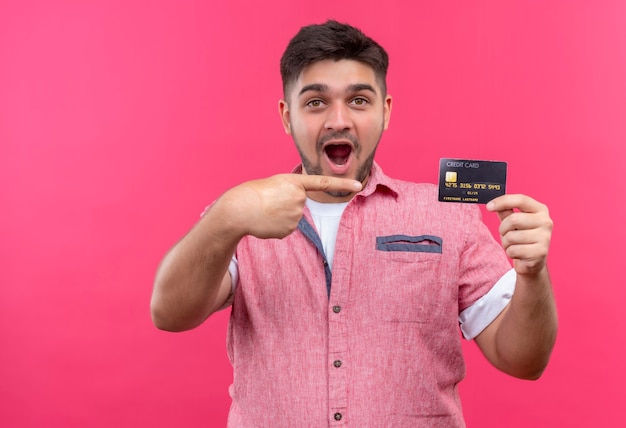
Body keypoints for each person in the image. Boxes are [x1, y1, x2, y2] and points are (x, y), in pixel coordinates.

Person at [151, 20, 558, 427]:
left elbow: (523, 360)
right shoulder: (239, 218)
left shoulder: (447, 216)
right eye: (315, 102)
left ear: (385, 112)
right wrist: (226, 215)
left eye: (359, 101)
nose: (338, 120)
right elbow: (170, 313)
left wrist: (533, 274)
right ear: (286, 115)